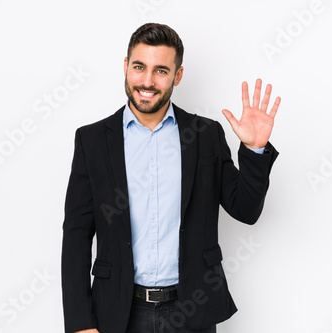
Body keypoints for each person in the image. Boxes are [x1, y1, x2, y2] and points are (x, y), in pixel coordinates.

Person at [61, 22, 281, 333]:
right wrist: (80, 323)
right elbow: (76, 236)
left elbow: (246, 211)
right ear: (126, 67)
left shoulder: (205, 135)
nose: (147, 81)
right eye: (139, 67)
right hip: (118, 314)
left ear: (177, 75)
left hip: (192, 310)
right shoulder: (92, 140)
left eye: (161, 70)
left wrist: (254, 150)